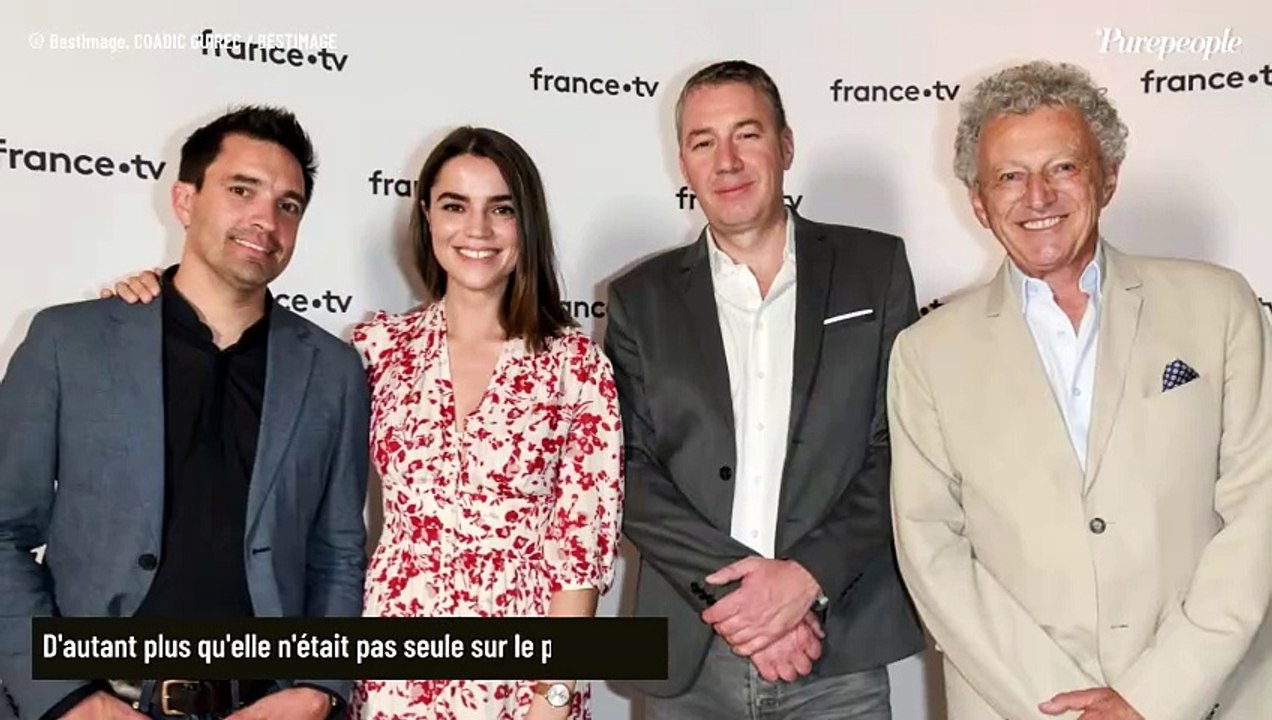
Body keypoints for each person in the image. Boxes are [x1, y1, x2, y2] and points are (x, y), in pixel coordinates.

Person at [107, 126, 625, 720]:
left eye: (500, 209)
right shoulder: (379, 348)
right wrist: (154, 299)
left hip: (521, 684)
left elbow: (582, 553)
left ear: (525, 223)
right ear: (427, 216)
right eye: (455, 205)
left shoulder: (575, 365)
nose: (476, 230)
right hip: (389, 678)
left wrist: (552, 700)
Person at [888, 60, 1272, 720]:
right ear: (979, 203)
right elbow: (933, 552)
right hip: (1021, 706)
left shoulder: (1220, 306)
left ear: (1108, 178)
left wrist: (1155, 696)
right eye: (1010, 176)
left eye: (1062, 167)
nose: (1037, 196)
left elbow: (1258, 511)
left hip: (1212, 698)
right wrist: (1069, 710)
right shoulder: (926, 353)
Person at [0, 106, 369, 719]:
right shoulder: (70, 342)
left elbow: (335, 551)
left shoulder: (331, 370)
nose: (266, 220)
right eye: (241, 190)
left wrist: (315, 690)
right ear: (183, 199)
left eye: (288, 205)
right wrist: (66, 698)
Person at [605, 60, 924, 719]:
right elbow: (625, 469)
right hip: (693, 655)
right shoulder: (640, 298)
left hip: (837, 650)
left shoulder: (874, 269)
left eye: (746, 134)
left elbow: (901, 446)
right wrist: (741, 602)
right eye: (702, 141)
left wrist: (804, 581)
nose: (726, 160)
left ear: (785, 144)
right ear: (683, 163)